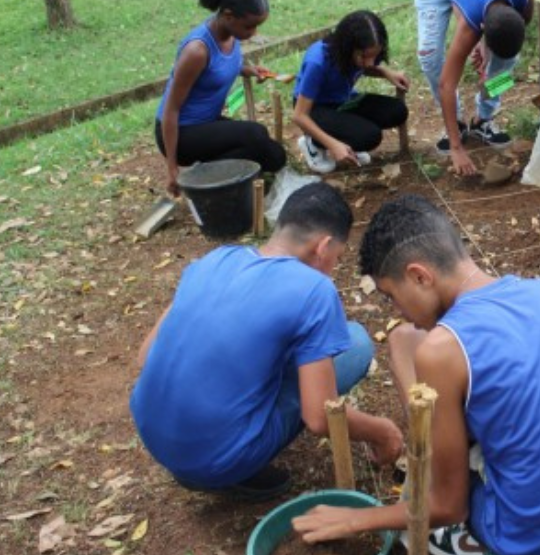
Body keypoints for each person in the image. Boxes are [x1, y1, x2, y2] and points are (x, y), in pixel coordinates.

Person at [293, 195, 540, 555]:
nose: (399, 311)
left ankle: (462, 544)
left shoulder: (442, 350)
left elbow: (448, 506)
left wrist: (356, 519)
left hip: (534, 538)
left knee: (431, 495)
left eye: (392, 296)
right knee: (404, 339)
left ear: (419, 276)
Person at [129, 183, 403, 500]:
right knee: (355, 344)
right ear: (323, 246)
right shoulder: (314, 290)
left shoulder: (216, 258)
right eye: (337, 258)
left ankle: (214, 452)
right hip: (216, 461)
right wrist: (383, 431)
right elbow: (318, 417)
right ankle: (234, 468)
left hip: (156, 440)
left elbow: (145, 355)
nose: (334, 267)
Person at [154, 0, 286, 196]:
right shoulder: (197, 51)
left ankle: (216, 177)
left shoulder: (230, 33)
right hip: (182, 133)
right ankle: (198, 180)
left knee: (272, 154)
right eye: (250, 26)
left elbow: (218, 67)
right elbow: (171, 110)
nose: (254, 33)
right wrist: (172, 167)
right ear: (228, 15)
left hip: (206, 122)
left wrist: (249, 70)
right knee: (254, 136)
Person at [416, 0, 533, 176]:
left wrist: (493, 60)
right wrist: (457, 149)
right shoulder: (470, 20)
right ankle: (456, 127)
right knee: (428, 56)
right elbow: (447, 84)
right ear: (481, 28)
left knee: (508, 63)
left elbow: (513, 37)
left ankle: (484, 118)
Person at [293, 10, 410, 174]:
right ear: (348, 48)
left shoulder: (362, 53)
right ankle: (313, 143)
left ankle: (348, 137)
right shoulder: (317, 61)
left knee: (397, 111)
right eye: (364, 57)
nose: (369, 63)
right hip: (315, 109)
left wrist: (386, 73)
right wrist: (333, 145)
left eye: (374, 56)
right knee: (370, 137)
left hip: (344, 100)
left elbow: (367, 67)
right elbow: (299, 116)